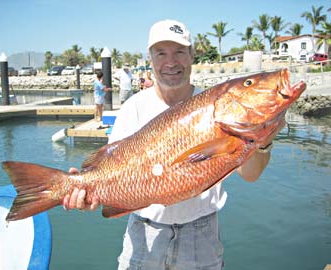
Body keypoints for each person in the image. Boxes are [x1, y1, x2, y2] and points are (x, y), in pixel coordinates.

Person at [63, 19, 285, 270]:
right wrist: (88, 191)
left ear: (191, 55)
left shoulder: (217, 104)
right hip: (142, 233)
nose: (171, 62)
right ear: (151, 58)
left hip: (201, 235)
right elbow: (110, 168)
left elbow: (251, 175)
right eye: (161, 53)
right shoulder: (133, 107)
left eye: (179, 51)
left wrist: (263, 142)